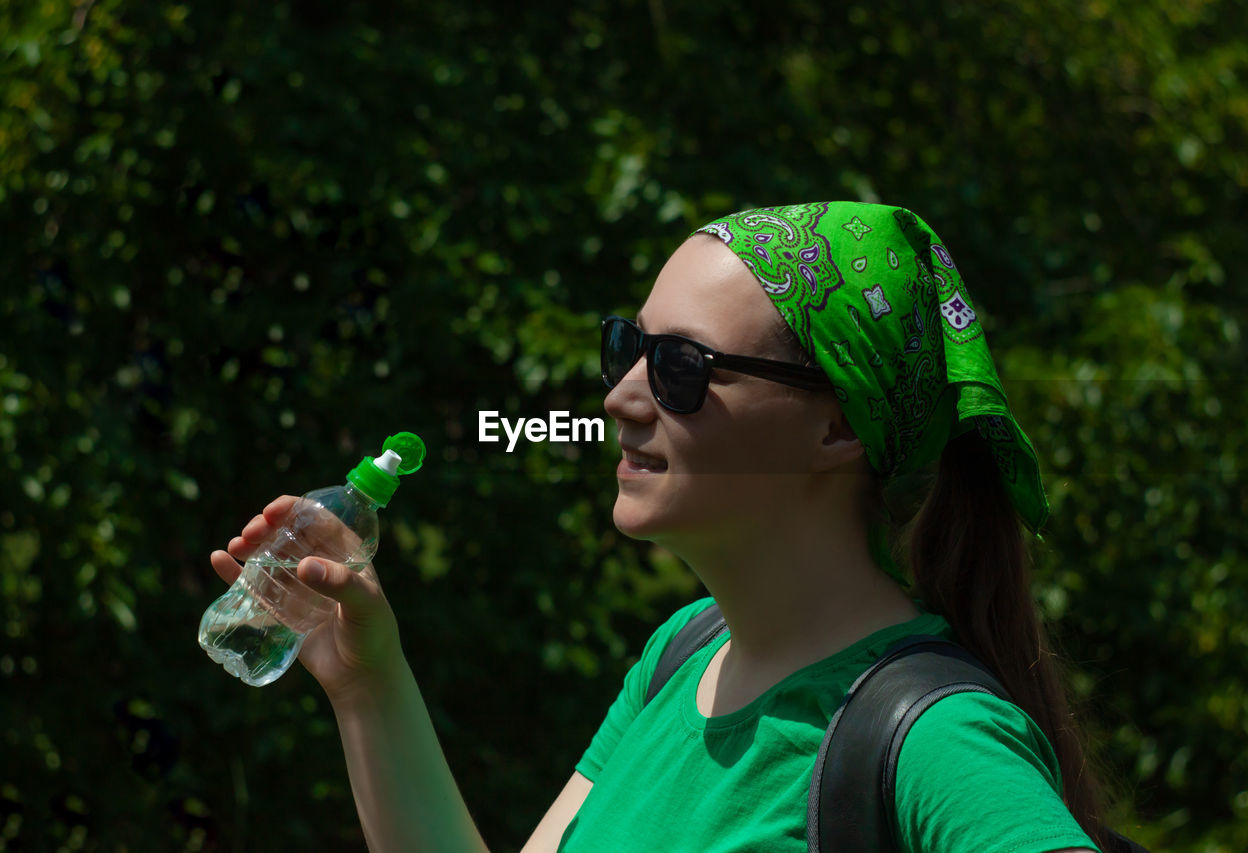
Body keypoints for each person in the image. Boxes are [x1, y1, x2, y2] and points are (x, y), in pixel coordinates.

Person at [210, 201, 1111, 852]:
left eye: (682, 367)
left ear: (838, 426)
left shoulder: (933, 737)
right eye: (627, 347)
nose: (621, 397)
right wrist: (368, 684)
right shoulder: (685, 654)